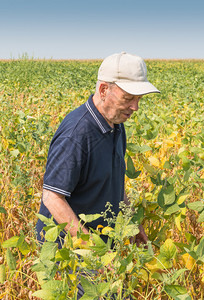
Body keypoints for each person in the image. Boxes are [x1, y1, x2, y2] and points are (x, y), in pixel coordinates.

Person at [36, 51, 160, 247]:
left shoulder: (116, 125)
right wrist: (93, 250)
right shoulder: (76, 134)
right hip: (67, 250)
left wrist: (132, 224)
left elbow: (114, 183)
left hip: (101, 242)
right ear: (103, 90)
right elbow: (53, 198)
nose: (135, 107)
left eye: (139, 99)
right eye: (128, 98)